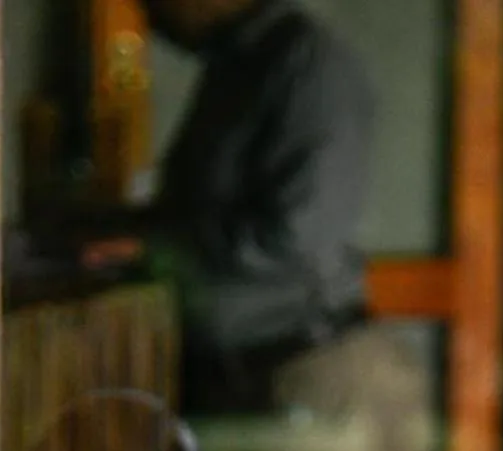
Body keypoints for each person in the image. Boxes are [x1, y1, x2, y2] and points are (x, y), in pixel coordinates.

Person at [141, 0, 374, 414]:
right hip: (227, 372)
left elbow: (300, 237)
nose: (150, 16)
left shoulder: (305, 63)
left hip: (291, 370)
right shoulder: (236, 63)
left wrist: (164, 242)